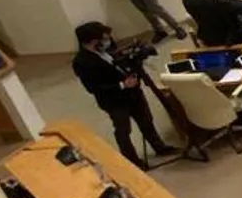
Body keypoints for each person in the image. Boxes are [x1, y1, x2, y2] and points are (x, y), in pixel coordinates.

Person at [72, 22, 177, 168]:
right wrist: (122, 85)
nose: (107, 41)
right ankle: (132, 159)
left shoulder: (108, 49)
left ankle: (159, 147)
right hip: (114, 101)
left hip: (133, 92)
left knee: (146, 120)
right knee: (123, 129)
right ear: (91, 41)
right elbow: (92, 87)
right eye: (102, 39)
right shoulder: (82, 62)